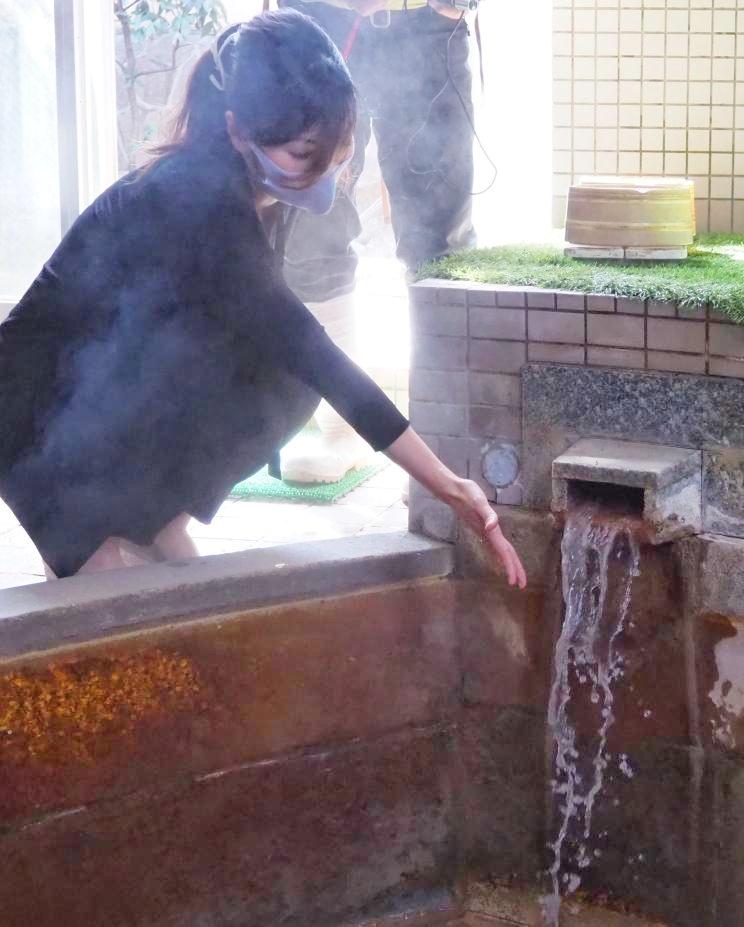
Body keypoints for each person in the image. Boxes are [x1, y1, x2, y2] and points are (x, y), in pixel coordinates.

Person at [0, 10, 525, 587]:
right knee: (109, 608)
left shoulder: (259, 187)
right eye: (304, 154)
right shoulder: (197, 201)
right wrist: (449, 486)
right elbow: (310, 349)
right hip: (33, 420)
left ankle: (147, 518)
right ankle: (97, 534)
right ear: (235, 129)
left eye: (336, 149)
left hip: (107, 391)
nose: (324, 170)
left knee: (277, 381)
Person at [273, 0, 479, 484]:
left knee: (439, 244)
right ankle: (342, 427)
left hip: (426, 21)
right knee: (311, 231)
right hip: (321, 20)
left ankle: (442, 442)